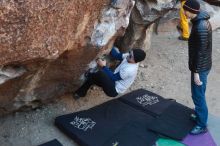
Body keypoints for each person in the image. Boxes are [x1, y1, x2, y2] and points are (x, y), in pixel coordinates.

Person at [183, 0, 212, 135]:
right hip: (202, 65)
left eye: (186, 10)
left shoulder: (200, 27)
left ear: (192, 11)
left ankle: (202, 125)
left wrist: (196, 73)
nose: (184, 12)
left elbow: (200, 52)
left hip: (200, 68)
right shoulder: (199, 21)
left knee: (198, 96)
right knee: (199, 94)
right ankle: (200, 116)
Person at [73, 47, 146, 99]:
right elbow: (116, 55)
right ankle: (80, 93)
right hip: (113, 81)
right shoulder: (129, 57)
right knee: (93, 78)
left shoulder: (130, 70)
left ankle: (88, 75)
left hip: (113, 90)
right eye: (130, 52)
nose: (128, 54)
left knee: (100, 74)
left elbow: (113, 78)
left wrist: (103, 66)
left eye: (130, 56)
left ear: (135, 61)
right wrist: (110, 46)